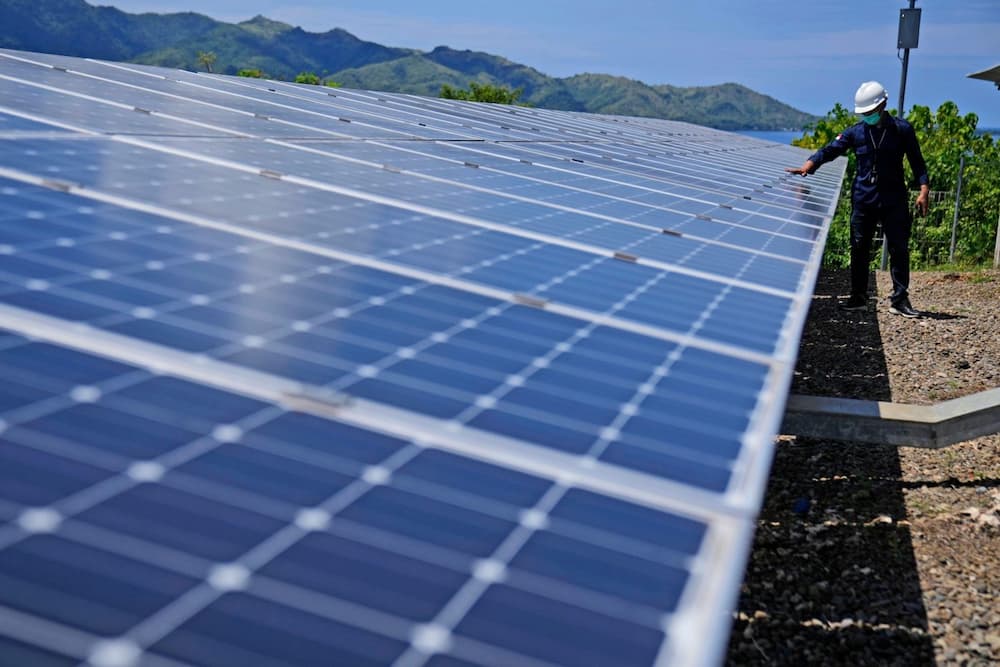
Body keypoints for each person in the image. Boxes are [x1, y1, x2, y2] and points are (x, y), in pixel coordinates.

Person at [787, 81, 929, 317]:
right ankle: (858, 297)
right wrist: (809, 165)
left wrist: (924, 190)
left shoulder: (902, 130)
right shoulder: (855, 132)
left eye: (871, 112)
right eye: (864, 114)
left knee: (899, 248)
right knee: (859, 248)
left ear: (883, 105)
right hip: (863, 199)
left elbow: (917, 161)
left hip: (894, 199)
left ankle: (900, 299)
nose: (868, 117)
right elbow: (831, 150)